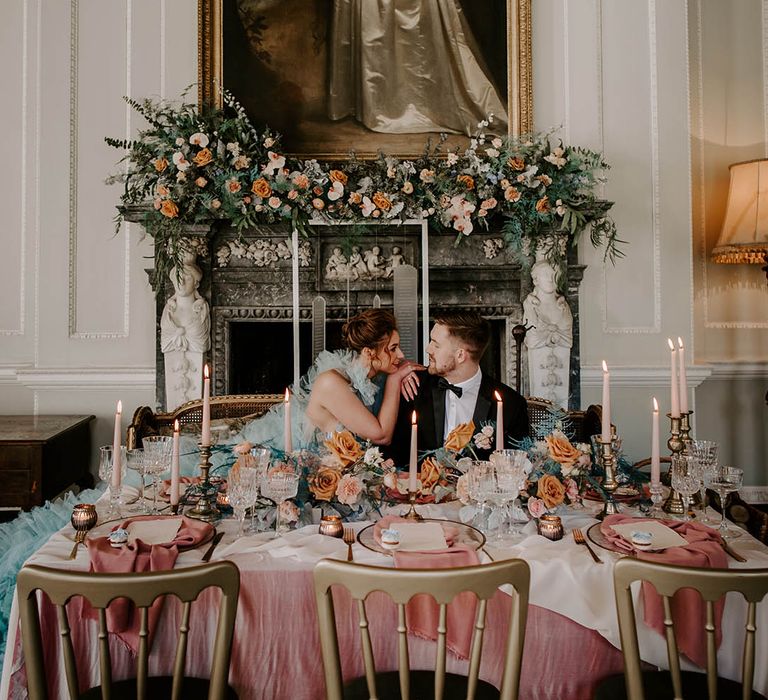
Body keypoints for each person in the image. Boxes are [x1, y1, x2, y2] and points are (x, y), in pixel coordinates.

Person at [230, 309, 422, 454]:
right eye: (394, 348)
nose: (401, 354)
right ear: (368, 352)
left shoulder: (371, 377)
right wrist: (395, 380)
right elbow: (382, 436)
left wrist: (404, 369)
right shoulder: (331, 382)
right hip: (283, 460)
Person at [389, 311, 529, 466]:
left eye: (436, 344)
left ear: (461, 355)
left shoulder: (512, 405)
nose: (428, 349)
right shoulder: (412, 386)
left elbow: (516, 468)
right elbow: (393, 455)